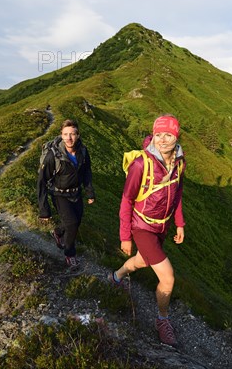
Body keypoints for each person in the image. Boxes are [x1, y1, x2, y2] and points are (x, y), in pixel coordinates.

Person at [109, 114, 186, 346]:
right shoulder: (141, 164)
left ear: (176, 136)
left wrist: (180, 222)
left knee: (142, 261)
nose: (163, 140)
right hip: (142, 227)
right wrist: (125, 236)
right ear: (154, 135)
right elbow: (126, 200)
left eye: (169, 135)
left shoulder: (180, 162)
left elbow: (178, 193)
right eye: (159, 134)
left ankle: (116, 277)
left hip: (162, 226)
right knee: (168, 278)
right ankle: (162, 320)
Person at [38, 119, 95, 269]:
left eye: (72, 134)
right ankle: (70, 254)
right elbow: (42, 182)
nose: (69, 138)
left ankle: (57, 232)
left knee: (76, 221)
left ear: (78, 135)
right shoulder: (53, 156)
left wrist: (89, 192)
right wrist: (44, 210)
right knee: (72, 223)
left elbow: (86, 171)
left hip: (76, 193)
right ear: (61, 135)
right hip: (59, 194)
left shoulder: (83, 151)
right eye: (65, 134)